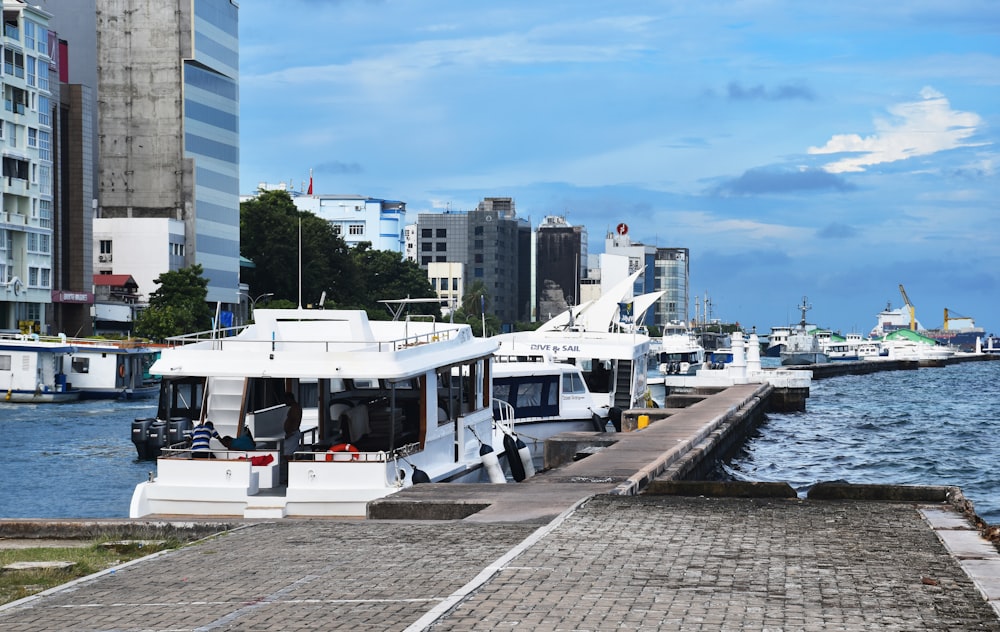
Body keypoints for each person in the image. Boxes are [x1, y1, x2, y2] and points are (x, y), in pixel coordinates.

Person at [282, 391, 303, 457]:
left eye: (286, 400)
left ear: (289, 399)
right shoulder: (293, 407)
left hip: (292, 434)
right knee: (290, 452)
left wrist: (290, 433)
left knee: (288, 454)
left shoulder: (295, 408)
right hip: (291, 433)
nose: (285, 402)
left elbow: (295, 422)